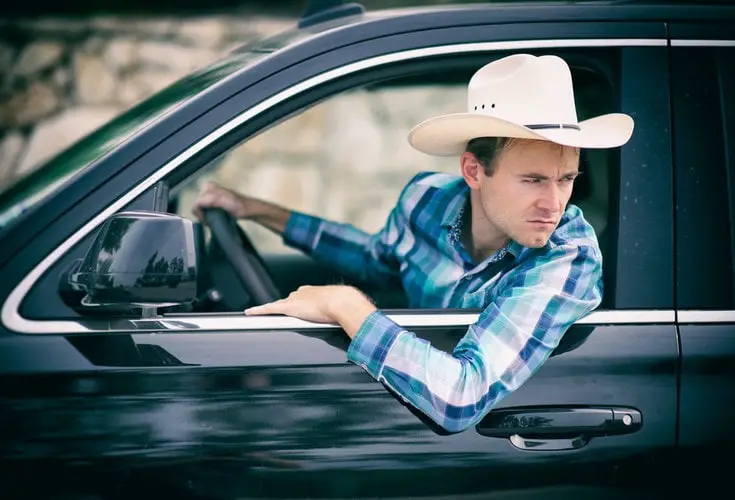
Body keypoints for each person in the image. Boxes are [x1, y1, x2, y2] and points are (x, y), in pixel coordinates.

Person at [193, 54, 634, 433]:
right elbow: (376, 260)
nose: (554, 203)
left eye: (566, 180)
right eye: (533, 180)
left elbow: (460, 397)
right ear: (474, 171)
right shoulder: (426, 200)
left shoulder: (567, 256)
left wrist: (346, 306)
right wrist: (255, 209)